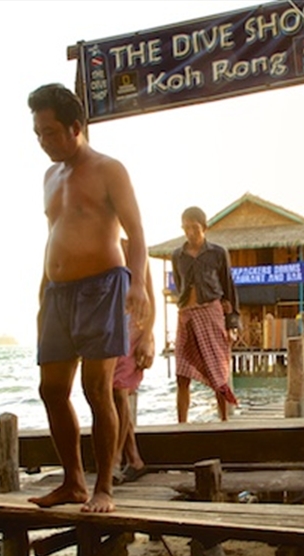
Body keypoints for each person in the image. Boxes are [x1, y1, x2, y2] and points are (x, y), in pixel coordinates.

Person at [27, 83, 149, 513]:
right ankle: (72, 483)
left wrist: (137, 286)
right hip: (57, 292)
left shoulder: (108, 169)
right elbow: (53, 235)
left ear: (75, 127)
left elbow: (136, 232)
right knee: (51, 389)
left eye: (50, 132)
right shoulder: (49, 176)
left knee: (97, 389)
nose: (43, 142)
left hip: (102, 286)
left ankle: (104, 489)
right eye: (38, 133)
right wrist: (43, 288)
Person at [172, 206, 240, 422]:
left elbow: (229, 288)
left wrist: (232, 324)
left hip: (212, 313)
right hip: (186, 315)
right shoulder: (177, 255)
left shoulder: (218, 253)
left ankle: (223, 421)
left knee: (218, 371)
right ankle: (181, 424)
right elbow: (180, 284)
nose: (190, 232)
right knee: (182, 374)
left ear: (204, 228)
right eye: (186, 228)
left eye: (195, 227)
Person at [112, 241, 155, 484]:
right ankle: (134, 459)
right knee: (109, 393)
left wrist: (148, 336)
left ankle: (115, 460)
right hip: (110, 327)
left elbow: (151, 300)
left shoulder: (134, 248)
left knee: (119, 391)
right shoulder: (101, 245)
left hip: (135, 328)